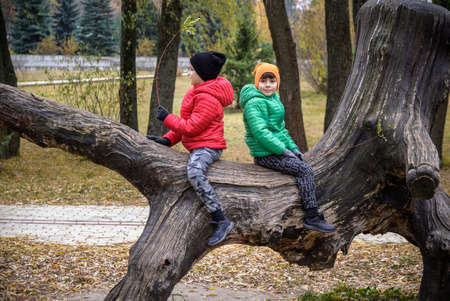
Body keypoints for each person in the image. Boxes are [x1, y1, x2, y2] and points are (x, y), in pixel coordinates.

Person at [147, 51, 235, 245]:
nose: (188, 73)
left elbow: (191, 127)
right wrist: (168, 140)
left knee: (194, 172)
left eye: (192, 69)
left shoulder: (208, 99)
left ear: (202, 73)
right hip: (198, 144)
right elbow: (186, 125)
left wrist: (167, 118)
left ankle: (220, 219)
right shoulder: (197, 92)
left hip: (208, 147)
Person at [239, 62, 336, 233]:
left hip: (275, 150)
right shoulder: (254, 103)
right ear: (256, 82)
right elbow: (261, 133)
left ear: (277, 83)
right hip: (266, 154)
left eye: (272, 81)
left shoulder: (273, 99)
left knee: (304, 165)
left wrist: (294, 148)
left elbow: (281, 130)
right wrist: (283, 151)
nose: (268, 85)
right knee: (305, 171)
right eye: (263, 81)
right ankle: (312, 217)